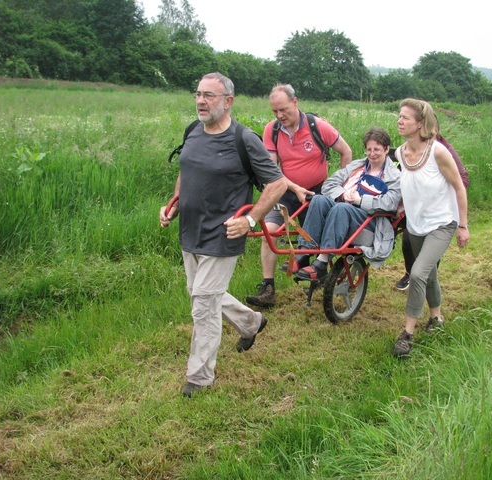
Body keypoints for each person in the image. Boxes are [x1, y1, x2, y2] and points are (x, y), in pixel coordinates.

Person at [159, 72, 287, 397]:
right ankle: (250, 323)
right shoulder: (192, 132)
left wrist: (252, 220)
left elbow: (277, 183)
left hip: (224, 234)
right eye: (198, 94)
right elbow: (185, 172)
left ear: (228, 101)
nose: (201, 101)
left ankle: (199, 378)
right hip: (190, 230)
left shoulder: (244, 139)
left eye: (209, 96)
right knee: (201, 294)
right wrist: (174, 204)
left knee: (203, 304)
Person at [246, 84, 352, 308]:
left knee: (319, 238)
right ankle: (268, 287)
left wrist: (341, 186)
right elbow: (271, 170)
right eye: (274, 111)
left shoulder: (318, 126)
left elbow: (346, 152)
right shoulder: (271, 130)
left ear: (295, 102)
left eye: (283, 109)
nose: (279, 115)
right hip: (285, 193)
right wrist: (294, 188)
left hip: (316, 192)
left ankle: (320, 275)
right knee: (270, 233)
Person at [392, 99, 469, 358]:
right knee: (430, 274)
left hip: (442, 223)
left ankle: (407, 333)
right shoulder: (401, 152)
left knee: (417, 274)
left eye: (405, 118)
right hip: (415, 225)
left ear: (421, 123)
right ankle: (437, 318)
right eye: (399, 116)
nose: (400, 121)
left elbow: (459, 186)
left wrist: (463, 225)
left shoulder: (438, 152)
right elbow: (408, 183)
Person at [291, 127, 401, 280]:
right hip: (345, 210)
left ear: (386, 149)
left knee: (342, 208)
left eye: (377, 149)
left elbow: (391, 203)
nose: (372, 153)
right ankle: (303, 254)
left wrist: (360, 200)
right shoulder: (357, 166)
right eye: (369, 149)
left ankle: (322, 262)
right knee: (318, 199)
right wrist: (342, 194)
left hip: (370, 220)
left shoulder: (394, 176)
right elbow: (329, 184)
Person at [394, 117, 469, 292]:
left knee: (427, 251)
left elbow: (461, 180)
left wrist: (443, 193)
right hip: (417, 211)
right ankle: (410, 272)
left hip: (439, 213)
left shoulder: (443, 150)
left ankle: (423, 276)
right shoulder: (407, 150)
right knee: (407, 242)